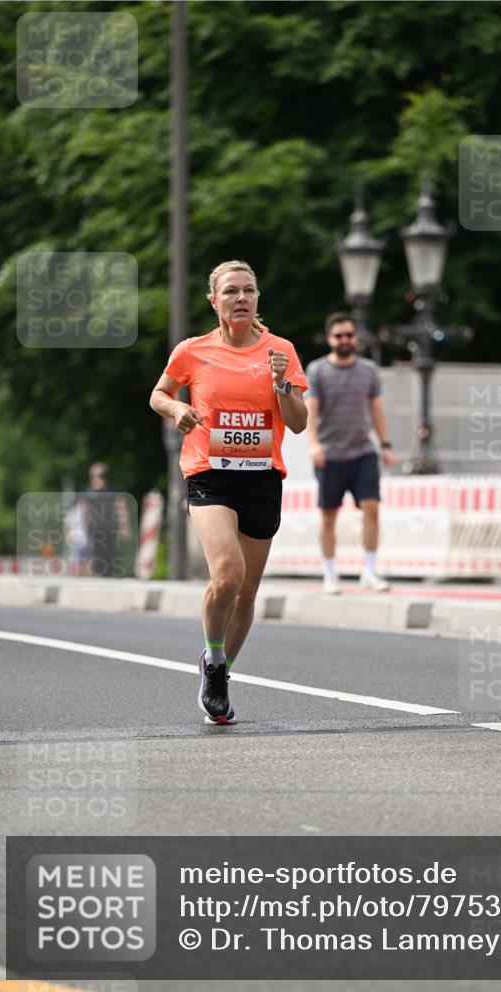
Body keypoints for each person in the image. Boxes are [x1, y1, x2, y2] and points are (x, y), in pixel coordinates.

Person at [149, 260, 307, 725]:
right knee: (228, 574)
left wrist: (281, 384)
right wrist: (176, 408)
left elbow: (297, 422)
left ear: (258, 299)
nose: (242, 298)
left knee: (247, 594)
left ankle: (218, 670)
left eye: (250, 291)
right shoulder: (193, 351)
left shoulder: (281, 351)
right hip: (209, 471)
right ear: (213, 300)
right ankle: (214, 658)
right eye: (232, 291)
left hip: (261, 476)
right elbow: (158, 393)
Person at [305, 312, 396, 595]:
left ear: (355, 337)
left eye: (349, 335)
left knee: (372, 508)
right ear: (330, 339)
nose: (345, 340)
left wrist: (385, 444)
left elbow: (377, 409)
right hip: (330, 453)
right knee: (329, 515)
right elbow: (311, 410)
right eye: (339, 335)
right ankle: (330, 573)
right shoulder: (317, 370)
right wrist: (314, 444)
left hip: (363, 452)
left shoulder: (369, 370)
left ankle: (369, 570)